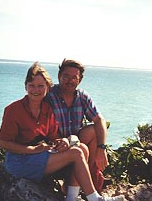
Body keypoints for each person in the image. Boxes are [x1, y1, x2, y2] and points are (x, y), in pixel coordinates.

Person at [0, 61, 123, 201]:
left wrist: (63, 141)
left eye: (41, 86)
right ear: (25, 86)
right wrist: (31, 150)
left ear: (47, 88)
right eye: (32, 85)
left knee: (81, 148)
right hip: (20, 161)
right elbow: (2, 143)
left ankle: (73, 197)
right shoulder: (14, 109)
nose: (36, 90)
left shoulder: (46, 109)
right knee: (77, 153)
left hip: (40, 155)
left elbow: (52, 136)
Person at [47, 59, 109, 193]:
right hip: (55, 145)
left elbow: (99, 120)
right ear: (59, 76)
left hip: (74, 143)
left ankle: (87, 177)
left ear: (79, 80)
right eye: (66, 76)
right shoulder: (49, 95)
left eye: (74, 77)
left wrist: (101, 149)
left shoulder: (82, 96)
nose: (70, 81)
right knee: (81, 147)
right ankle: (72, 186)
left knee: (92, 130)